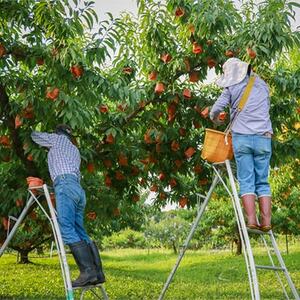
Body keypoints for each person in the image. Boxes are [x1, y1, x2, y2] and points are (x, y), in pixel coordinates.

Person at [31, 124, 105, 287]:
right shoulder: (74, 149)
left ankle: (87, 271)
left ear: (57, 133)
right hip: (78, 189)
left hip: (64, 185)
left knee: (66, 227)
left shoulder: (56, 140)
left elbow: (34, 135)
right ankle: (97, 273)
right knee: (79, 230)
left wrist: (24, 125)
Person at [210, 58, 272, 232]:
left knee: (246, 180)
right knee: (263, 182)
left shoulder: (231, 87)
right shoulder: (262, 84)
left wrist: (215, 119)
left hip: (242, 138)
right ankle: (266, 222)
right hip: (263, 137)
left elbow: (217, 108)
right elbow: (265, 107)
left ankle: (252, 220)